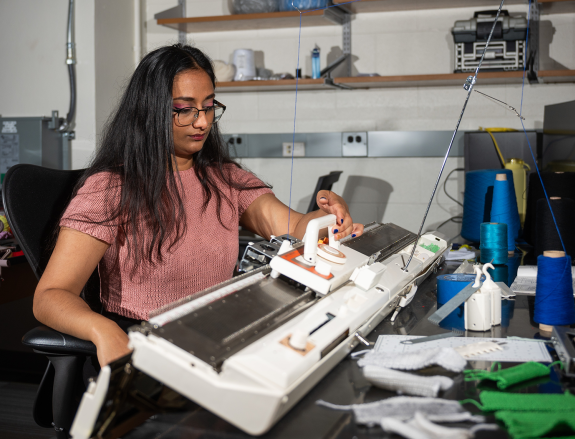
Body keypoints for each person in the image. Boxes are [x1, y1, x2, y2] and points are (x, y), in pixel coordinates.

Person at [33, 44, 364, 366]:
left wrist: (328, 219)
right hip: (148, 344)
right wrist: (101, 329)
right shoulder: (110, 189)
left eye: (208, 107)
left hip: (215, 336)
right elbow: (51, 295)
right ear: (151, 111)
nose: (203, 122)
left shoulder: (224, 178)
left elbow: (293, 228)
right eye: (185, 109)